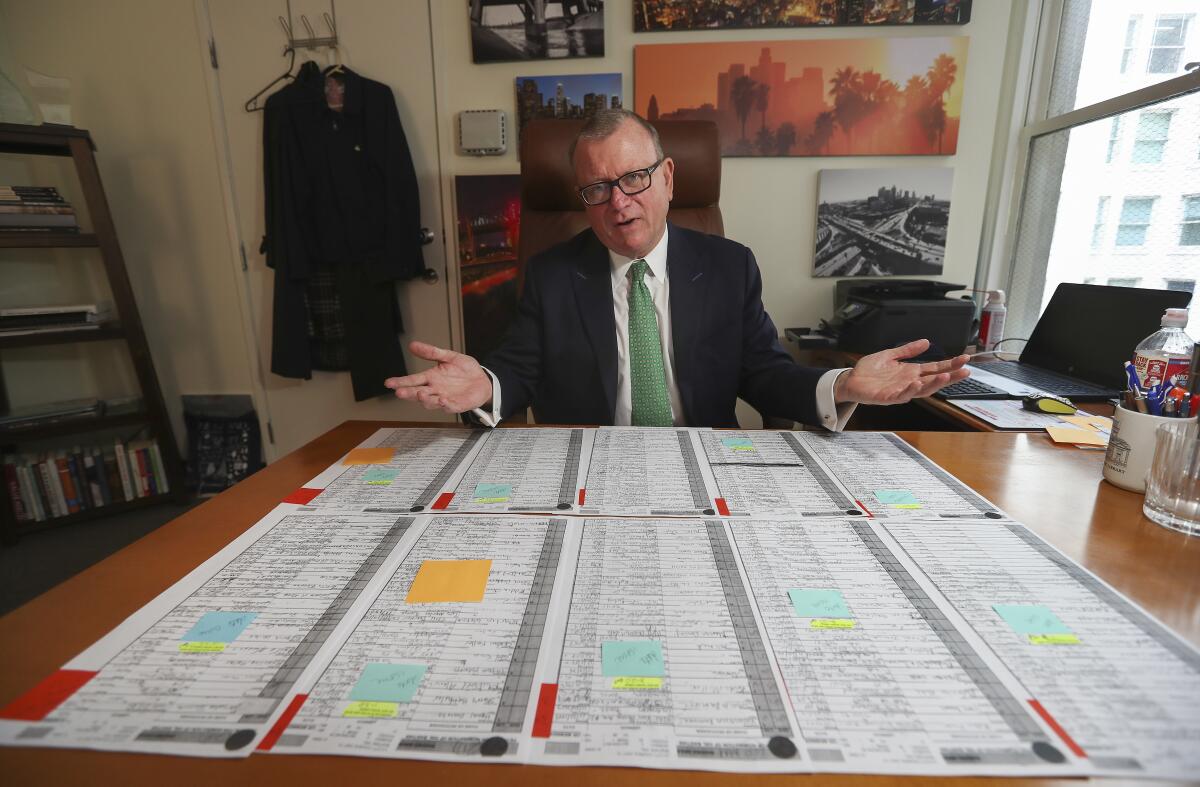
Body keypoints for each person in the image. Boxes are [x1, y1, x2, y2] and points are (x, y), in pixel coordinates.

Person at [385, 109, 969, 429]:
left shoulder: (728, 266)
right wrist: (484, 385)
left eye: (634, 178)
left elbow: (764, 374)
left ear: (666, 178)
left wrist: (841, 385)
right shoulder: (552, 274)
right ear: (582, 199)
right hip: (587, 470)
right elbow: (520, 369)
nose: (619, 202)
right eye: (596, 188)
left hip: (705, 463)